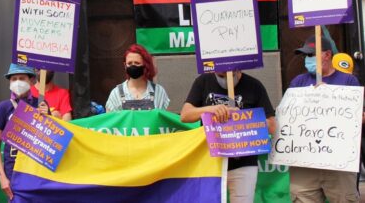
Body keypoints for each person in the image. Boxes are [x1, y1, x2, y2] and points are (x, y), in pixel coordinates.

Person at [180, 70, 275, 203]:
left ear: (238, 69)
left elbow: (271, 126)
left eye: (227, 74)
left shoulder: (254, 85)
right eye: (219, 75)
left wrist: (242, 118)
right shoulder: (203, 81)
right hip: (210, 161)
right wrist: (210, 109)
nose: (223, 78)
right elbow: (185, 115)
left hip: (244, 163)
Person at [287, 35, 362, 203]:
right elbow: (286, 117)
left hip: (339, 162)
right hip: (305, 163)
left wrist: (329, 97)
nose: (307, 59)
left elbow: (358, 118)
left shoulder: (349, 81)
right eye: (305, 55)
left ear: (327, 55)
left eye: (311, 54)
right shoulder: (298, 82)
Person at [0, 64, 49, 200]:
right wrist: (2, 177)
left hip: (38, 173)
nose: (17, 82)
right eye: (13, 79)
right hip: (13, 173)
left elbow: (50, 140)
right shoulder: (3, 107)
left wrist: (48, 117)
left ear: (32, 80)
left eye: (22, 78)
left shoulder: (41, 105)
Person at [105, 44, 170, 112]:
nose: (133, 66)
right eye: (129, 63)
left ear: (145, 65)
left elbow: (166, 120)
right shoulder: (116, 94)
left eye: (137, 63)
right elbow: (111, 121)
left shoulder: (159, 92)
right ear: (125, 65)